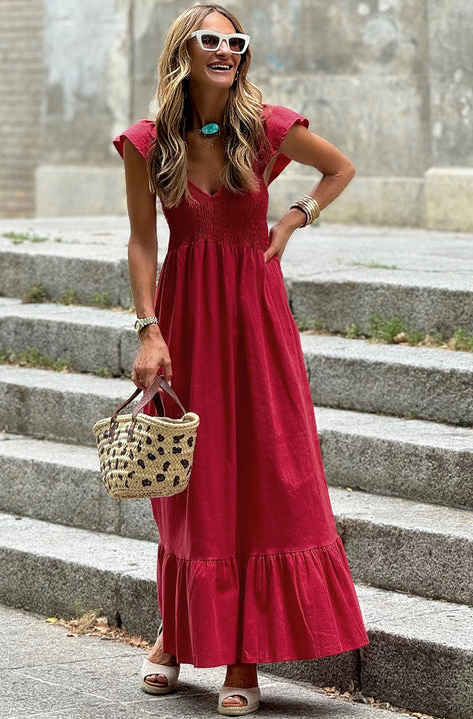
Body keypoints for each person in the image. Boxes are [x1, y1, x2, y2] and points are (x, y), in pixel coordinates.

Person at [113, 3, 369, 716]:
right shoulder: (147, 142)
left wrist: (294, 217)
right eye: (211, 40)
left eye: (235, 42)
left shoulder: (266, 128)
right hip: (186, 321)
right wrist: (148, 329)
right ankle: (174, 631)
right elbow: (142, 241)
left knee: (259, 475)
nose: (225, 50)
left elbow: (340, 168)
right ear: (184, 53)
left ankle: (242, 654)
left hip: (256, 321)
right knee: (192, 482)